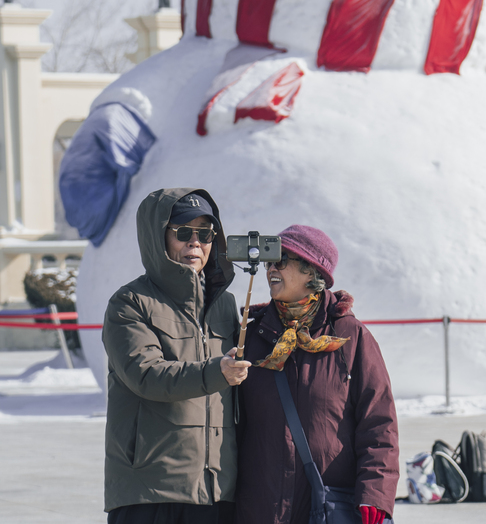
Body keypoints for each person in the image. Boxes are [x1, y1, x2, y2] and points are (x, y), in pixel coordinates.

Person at [102, 188, 251, 524]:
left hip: (216, 491)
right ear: (158, 238)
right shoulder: (130, 302)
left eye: (205, 233)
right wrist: (217, 372)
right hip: (150, 491)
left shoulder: (224, 305)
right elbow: (146, 374)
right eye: (183, 232)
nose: (195, 243)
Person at [235, 225, 399, 524]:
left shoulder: (351, 336)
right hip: (259, 509)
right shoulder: (250, 336)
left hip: (326, 508)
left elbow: (379, 424)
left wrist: (375, 496)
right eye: (271, 260)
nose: (272, 268)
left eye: (282, 260)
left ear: (313, 273)